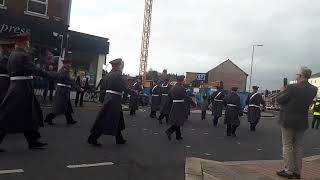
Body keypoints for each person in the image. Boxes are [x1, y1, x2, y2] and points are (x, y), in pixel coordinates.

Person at [0, 33, 52, 151]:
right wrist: (49, 75)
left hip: (20, 86)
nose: (29, 45)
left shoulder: (13, 54)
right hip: (21, 88)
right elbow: (34, 69)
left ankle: (33, 141)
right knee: (7, 115)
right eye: (28, 43)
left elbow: (17, 71)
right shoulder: (22, 55)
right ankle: (33, 141)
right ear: (23, 43)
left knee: (30, 114)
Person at [276, 67, 317, 179]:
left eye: (297, 74)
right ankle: (297, 172)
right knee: (298, 146)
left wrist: (282, 91)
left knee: (287, 145)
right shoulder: (314, 89)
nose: (296, 75)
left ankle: (288, 170)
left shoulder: (292, 87)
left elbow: (280, 100)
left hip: (288, 120)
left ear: (301, 76)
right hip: (302, 121)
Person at [88, 58, 136, 146]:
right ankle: (93, 138)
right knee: (107, 119)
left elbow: (103, 88)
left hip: (109, 98)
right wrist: (134, 93)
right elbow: (125, 88)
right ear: (118, 66)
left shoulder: (109, 74)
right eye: (122, 64)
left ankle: (119, 138)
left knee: (116, 119)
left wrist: (102, 99)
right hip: (114, 100)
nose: (123, 66)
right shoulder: (118, 75)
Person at [44, 60, 82, 126]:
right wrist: (79, 88)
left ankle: (70, 120)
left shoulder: (64, 70)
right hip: (63, 92)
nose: (70, 65)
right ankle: (48, 118)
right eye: (69, 64)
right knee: (59, 107)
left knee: (66, 106)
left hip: (64, 91)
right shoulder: (64, 72)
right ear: (65, 64)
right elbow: (69, 81)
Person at [165, 75, 196, 141]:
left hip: (174, 105)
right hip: (180, 105)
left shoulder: (172, 88)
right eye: (184, 80)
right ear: (181, 80)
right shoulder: (181, 88)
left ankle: (178, 136)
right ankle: (169, 131)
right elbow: (186, 97)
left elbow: (169, 97)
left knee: (177, 120)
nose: (184, 81)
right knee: (178, 121)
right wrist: (193, 104)